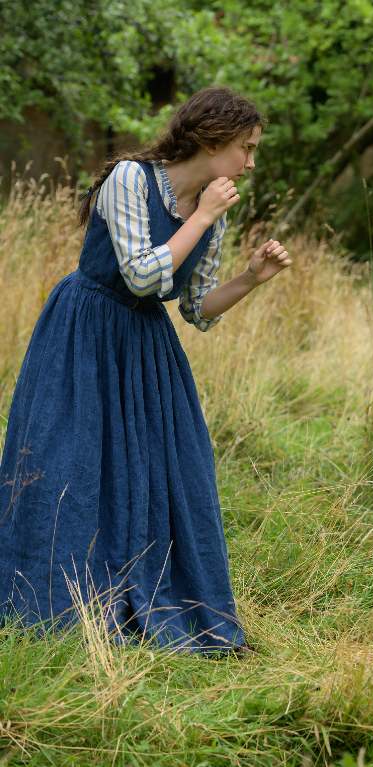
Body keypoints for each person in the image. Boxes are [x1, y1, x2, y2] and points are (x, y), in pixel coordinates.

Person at [0, 87, 292, 653]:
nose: (250, 162)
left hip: (145, 346)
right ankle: (51, 607)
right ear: (212, 140)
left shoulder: (212, 211)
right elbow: (139, 276)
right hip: (84, 332)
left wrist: (251, 278)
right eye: (245, 148)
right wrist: (202, 216)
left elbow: (194, 307)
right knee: (71, 462)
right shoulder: (131, 181)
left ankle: (157, 600)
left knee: (170, 467)